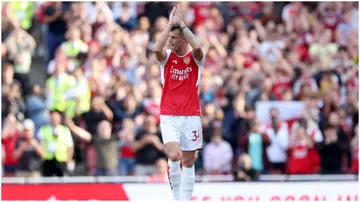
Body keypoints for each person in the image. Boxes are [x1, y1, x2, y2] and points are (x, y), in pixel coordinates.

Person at [154, 4, 205, 201]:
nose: (170, 41)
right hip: (169, 114)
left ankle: (186, 199)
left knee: (189, 161)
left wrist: (182, 25)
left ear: (184, 39)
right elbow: (157, 48)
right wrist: (170, 24)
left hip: (191, 114)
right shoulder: (166, 58)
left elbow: (198, 46)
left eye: (174, 38)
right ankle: (177, 198)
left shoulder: (195, 59)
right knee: (174, 156)